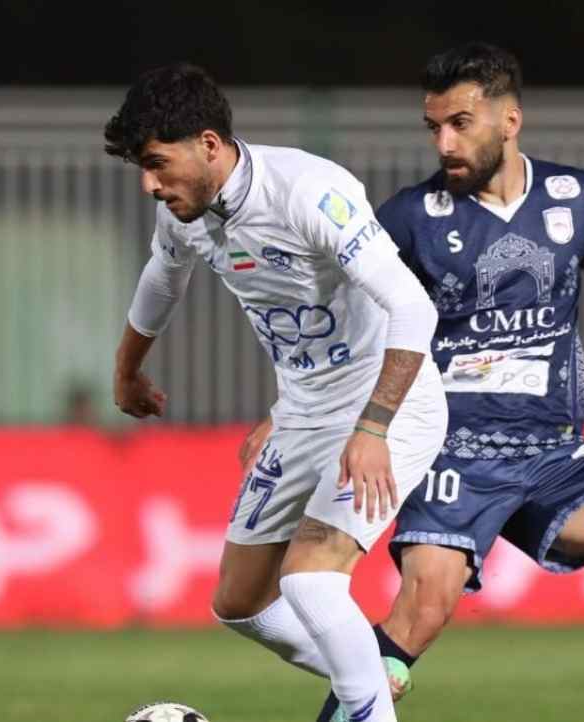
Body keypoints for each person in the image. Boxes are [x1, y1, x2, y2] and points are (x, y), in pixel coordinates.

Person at [242, 43, 584, 722]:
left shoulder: (578, 199)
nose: (445, 144)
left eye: (460, 124)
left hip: (551, 451)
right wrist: (287, 411)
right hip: (448, 450)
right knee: (421, 614)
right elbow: (348, 323)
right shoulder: (409, 218)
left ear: (510, 120)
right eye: (434, 128)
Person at [104, 62, 447, 722]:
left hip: (386, 406)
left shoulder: (309, 192)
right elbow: (162, 279)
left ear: (208, 144)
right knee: (240, 602)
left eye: (156, 164)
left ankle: (368, 702)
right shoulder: (184, 214)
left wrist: (372, 428)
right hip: (302, 413)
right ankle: (369, 676)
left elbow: (413, 308)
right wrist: (126, 370)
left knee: (312, 581)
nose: (149, 185)